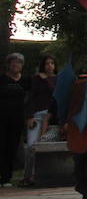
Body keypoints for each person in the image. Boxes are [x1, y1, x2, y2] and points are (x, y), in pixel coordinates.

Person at [20, 55, 58, 186]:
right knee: (31, 145)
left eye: (52, 63)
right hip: (37, 114)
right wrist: (29, 116)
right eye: (47, 63)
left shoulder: (57, 79)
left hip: (51, 116)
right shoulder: (37, 79)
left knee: (44, 144)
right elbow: (31, 97)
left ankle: (39, 175)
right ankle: (28, 176)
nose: (49, 66)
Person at [0, 53, 27, 188]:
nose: (16, 65)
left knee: (12, 147)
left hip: (17, 119)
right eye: (13, 63)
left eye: (18, 63)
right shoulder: (2, 80)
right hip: (2, 118)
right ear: (8, 65)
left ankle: (6, 177)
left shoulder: (26, 81)